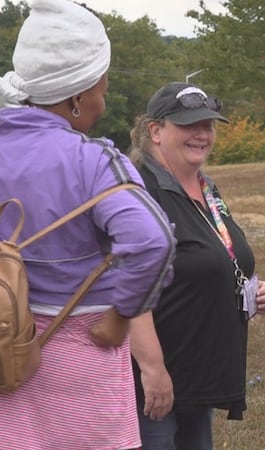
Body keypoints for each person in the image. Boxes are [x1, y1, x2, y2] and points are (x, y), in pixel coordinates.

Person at [0, 0, 175, 448]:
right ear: (77, 97)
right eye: (102, 82)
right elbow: (152, 241)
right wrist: (121, 314)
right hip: (77, 366)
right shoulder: (94, 162)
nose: (107, 93)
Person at [127, 81, 265, 449]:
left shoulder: (206, 187)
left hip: (199, 376)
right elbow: (128, 287)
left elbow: (215, 256)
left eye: (207, 125)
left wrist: (248, 289)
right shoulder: (140, 191)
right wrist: (153, 369)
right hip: (157, 379)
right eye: (189, 125)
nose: (202, 134)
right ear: (155, 131)